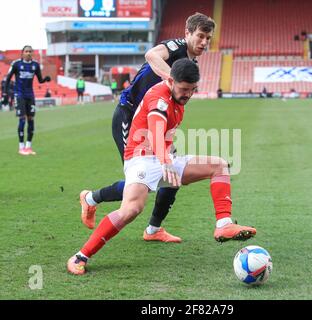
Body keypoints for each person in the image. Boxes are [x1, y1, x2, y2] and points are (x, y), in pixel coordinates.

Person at [67, 59, 257, 275]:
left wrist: (168, 158)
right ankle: (80, 256)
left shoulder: (179, 96)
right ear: (170, 80)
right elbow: (156, 129)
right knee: (131, 210)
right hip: (142, 158)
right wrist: (165, 160)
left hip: (165, 157)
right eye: (183, 89)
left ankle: (223, 224)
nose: (187, 94)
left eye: (192, 90)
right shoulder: (160, 98)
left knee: (219, 166)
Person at [79, 12, 216, 243]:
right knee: (138, 182)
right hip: (130, 117)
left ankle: (153, 229)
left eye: (208, 38)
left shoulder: (191, 63)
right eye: (200, 36)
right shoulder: (176, 47)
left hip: (156, 121)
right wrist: (170, 79)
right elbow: (151, 54)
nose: (204, 42)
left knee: (170, 174)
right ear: (187, 34)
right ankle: (91, 198)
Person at [4, 45, 51, 155]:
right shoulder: (16, 64)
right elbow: (8, 78)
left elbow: (40, 80)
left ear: (32, 53)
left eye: (30, 51)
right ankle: (21, 147)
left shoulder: (35, 65)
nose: (28, 53)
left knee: (31, 119)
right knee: (22, 119)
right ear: (22, 53)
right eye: (26, 51)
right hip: (19, 94)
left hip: (30, 95)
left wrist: (45, 79)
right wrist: (5, 93)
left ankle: (28, 146)